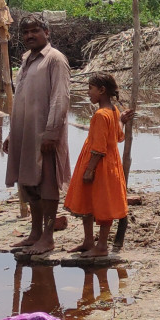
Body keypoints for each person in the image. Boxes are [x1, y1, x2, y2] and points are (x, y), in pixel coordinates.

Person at [3, 13, 71, 256]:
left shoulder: (55, 60)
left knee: (47, 184)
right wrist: (12, 134)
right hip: (24, 132)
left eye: (35, 31)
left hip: (45, 133)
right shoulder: (26, 59)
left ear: (46, 33)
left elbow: (60, 98)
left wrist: (52, 133)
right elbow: (21, 98)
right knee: (29, 183)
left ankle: (48, 237)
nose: (30, 36)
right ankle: (34, 233)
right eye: (26, 32)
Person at [63, 72, 132, 258]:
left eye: (90, 89)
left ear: (101, 90)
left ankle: (101, 246)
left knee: (102, 203)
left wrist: (90, 169)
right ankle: (88, 241)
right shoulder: (114, 111)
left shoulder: (101, 115)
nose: (88, 93)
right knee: (89, 199)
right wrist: (121, 122)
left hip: (99, 163)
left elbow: (100, 147)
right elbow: (118, 137)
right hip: (108, 162)